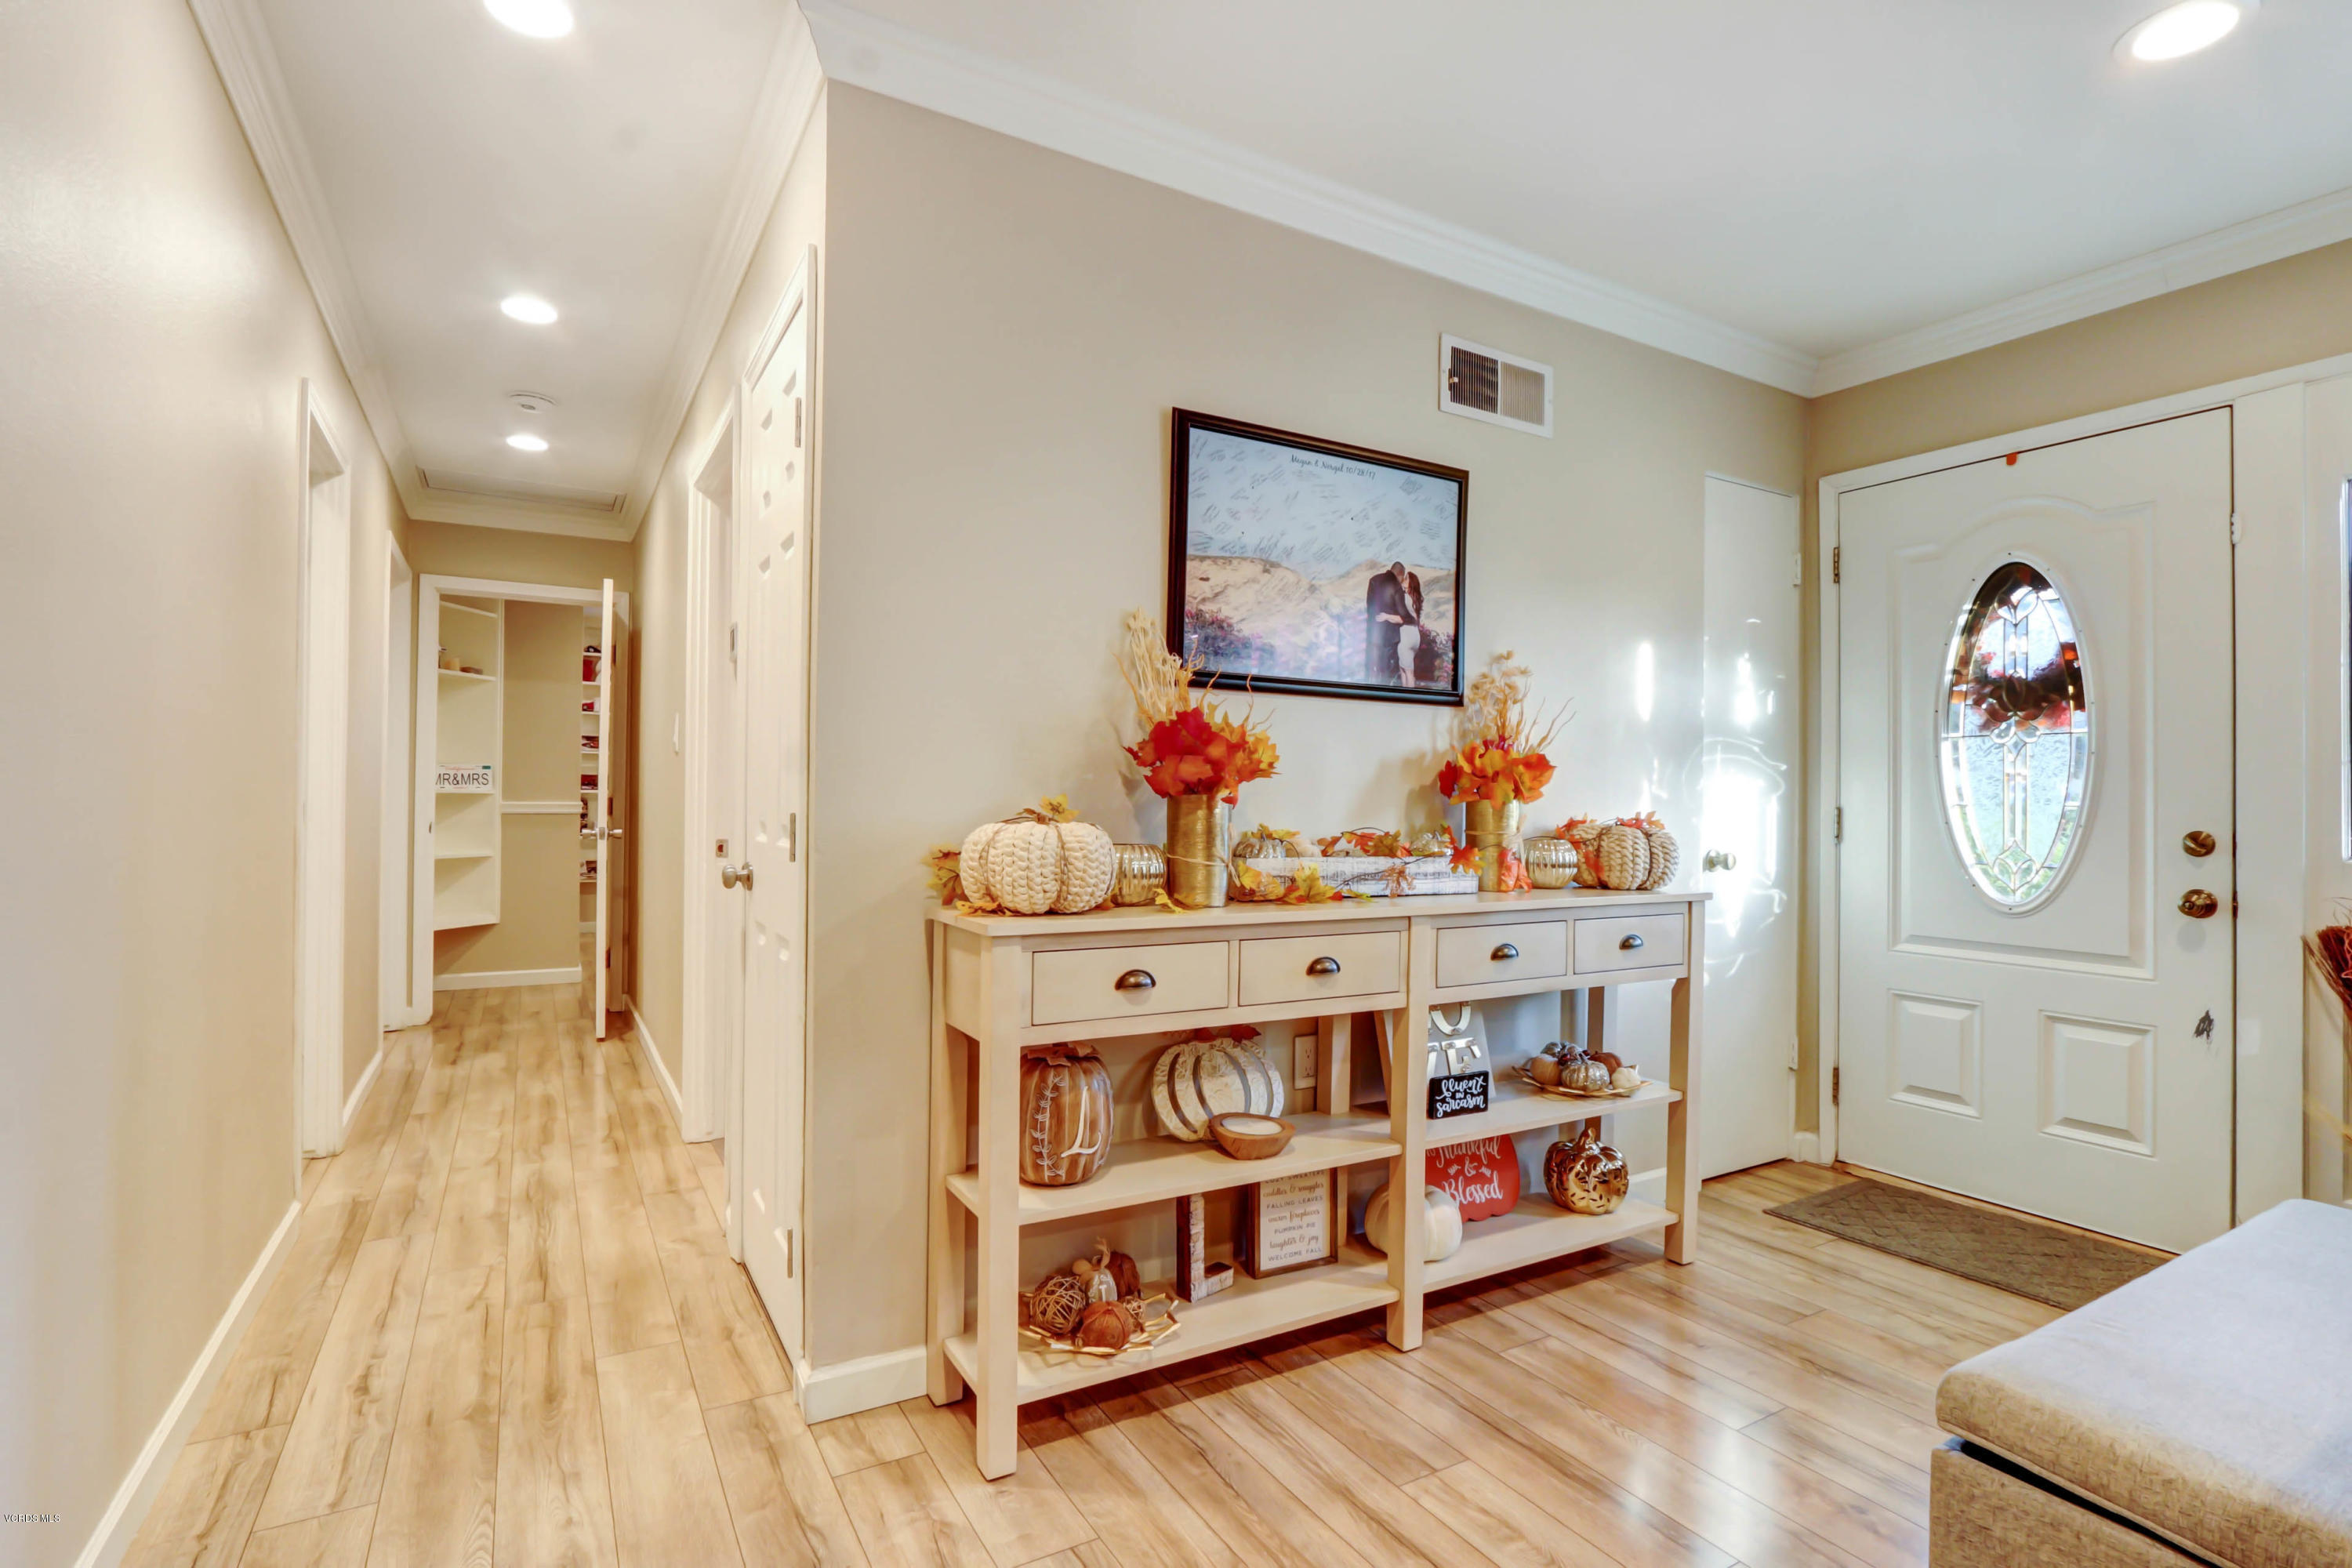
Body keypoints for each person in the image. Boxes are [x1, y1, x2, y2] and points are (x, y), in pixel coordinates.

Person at [1364, 560, 1422, 684]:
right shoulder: (1396, 586)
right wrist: (1411, 619)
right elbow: (1403, 613)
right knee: (1388, 671)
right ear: (1400, 574)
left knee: (1372, 668)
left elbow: (1369, 606)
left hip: (1374, 633)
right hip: (1391, 637)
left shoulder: (1373, 580)